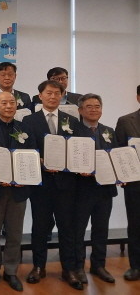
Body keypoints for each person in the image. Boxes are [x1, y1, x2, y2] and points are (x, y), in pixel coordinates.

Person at [22, 80, 90, 290]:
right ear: (40, 96)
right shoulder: (29, 120)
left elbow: (78, 149)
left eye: (56, 93)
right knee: (40, 227)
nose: (53, 97)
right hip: (41, 184)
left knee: (67, 228)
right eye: (49, 93)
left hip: (66, 184)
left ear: (62, 96)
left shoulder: (72, 121)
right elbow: (26, 149)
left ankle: (68, 269)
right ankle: (38, 266)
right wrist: (40, 161)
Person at [0, 91, 35, 292]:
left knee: (15, 233)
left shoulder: (26, 129)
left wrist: (25, 178)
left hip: (19, 190)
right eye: (4, 103)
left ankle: (11, 270)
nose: (8, 106)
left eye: (12, 102)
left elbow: (32, 155)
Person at [74, 94, 117, 284]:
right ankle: (78, 266)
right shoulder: (72, 132)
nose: (93, 109)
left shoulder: (109, 131)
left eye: (97, 106)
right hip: (81, 190)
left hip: (105, 189)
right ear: (80, 110)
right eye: (89, 106)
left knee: (101, 229)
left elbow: (116, 156)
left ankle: (99, 265)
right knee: (78, 230)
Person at [115, 84, 140, 281]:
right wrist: (121, 175)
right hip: (135, 183)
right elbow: (118, 150)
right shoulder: (125, 121)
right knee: (136, 225)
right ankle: (136, 266)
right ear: (138, 97)